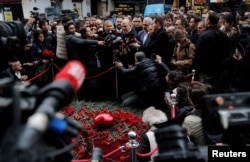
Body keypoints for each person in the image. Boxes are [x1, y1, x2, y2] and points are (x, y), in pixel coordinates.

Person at [193, 11, 230, 94]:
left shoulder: (204, 36)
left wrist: (196, 71)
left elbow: (197, 55)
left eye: (205, 19)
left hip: (205, 73)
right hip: (219, 72)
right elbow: (227, 53)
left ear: (208, 21)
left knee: (205, 94)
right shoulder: (223, 35)